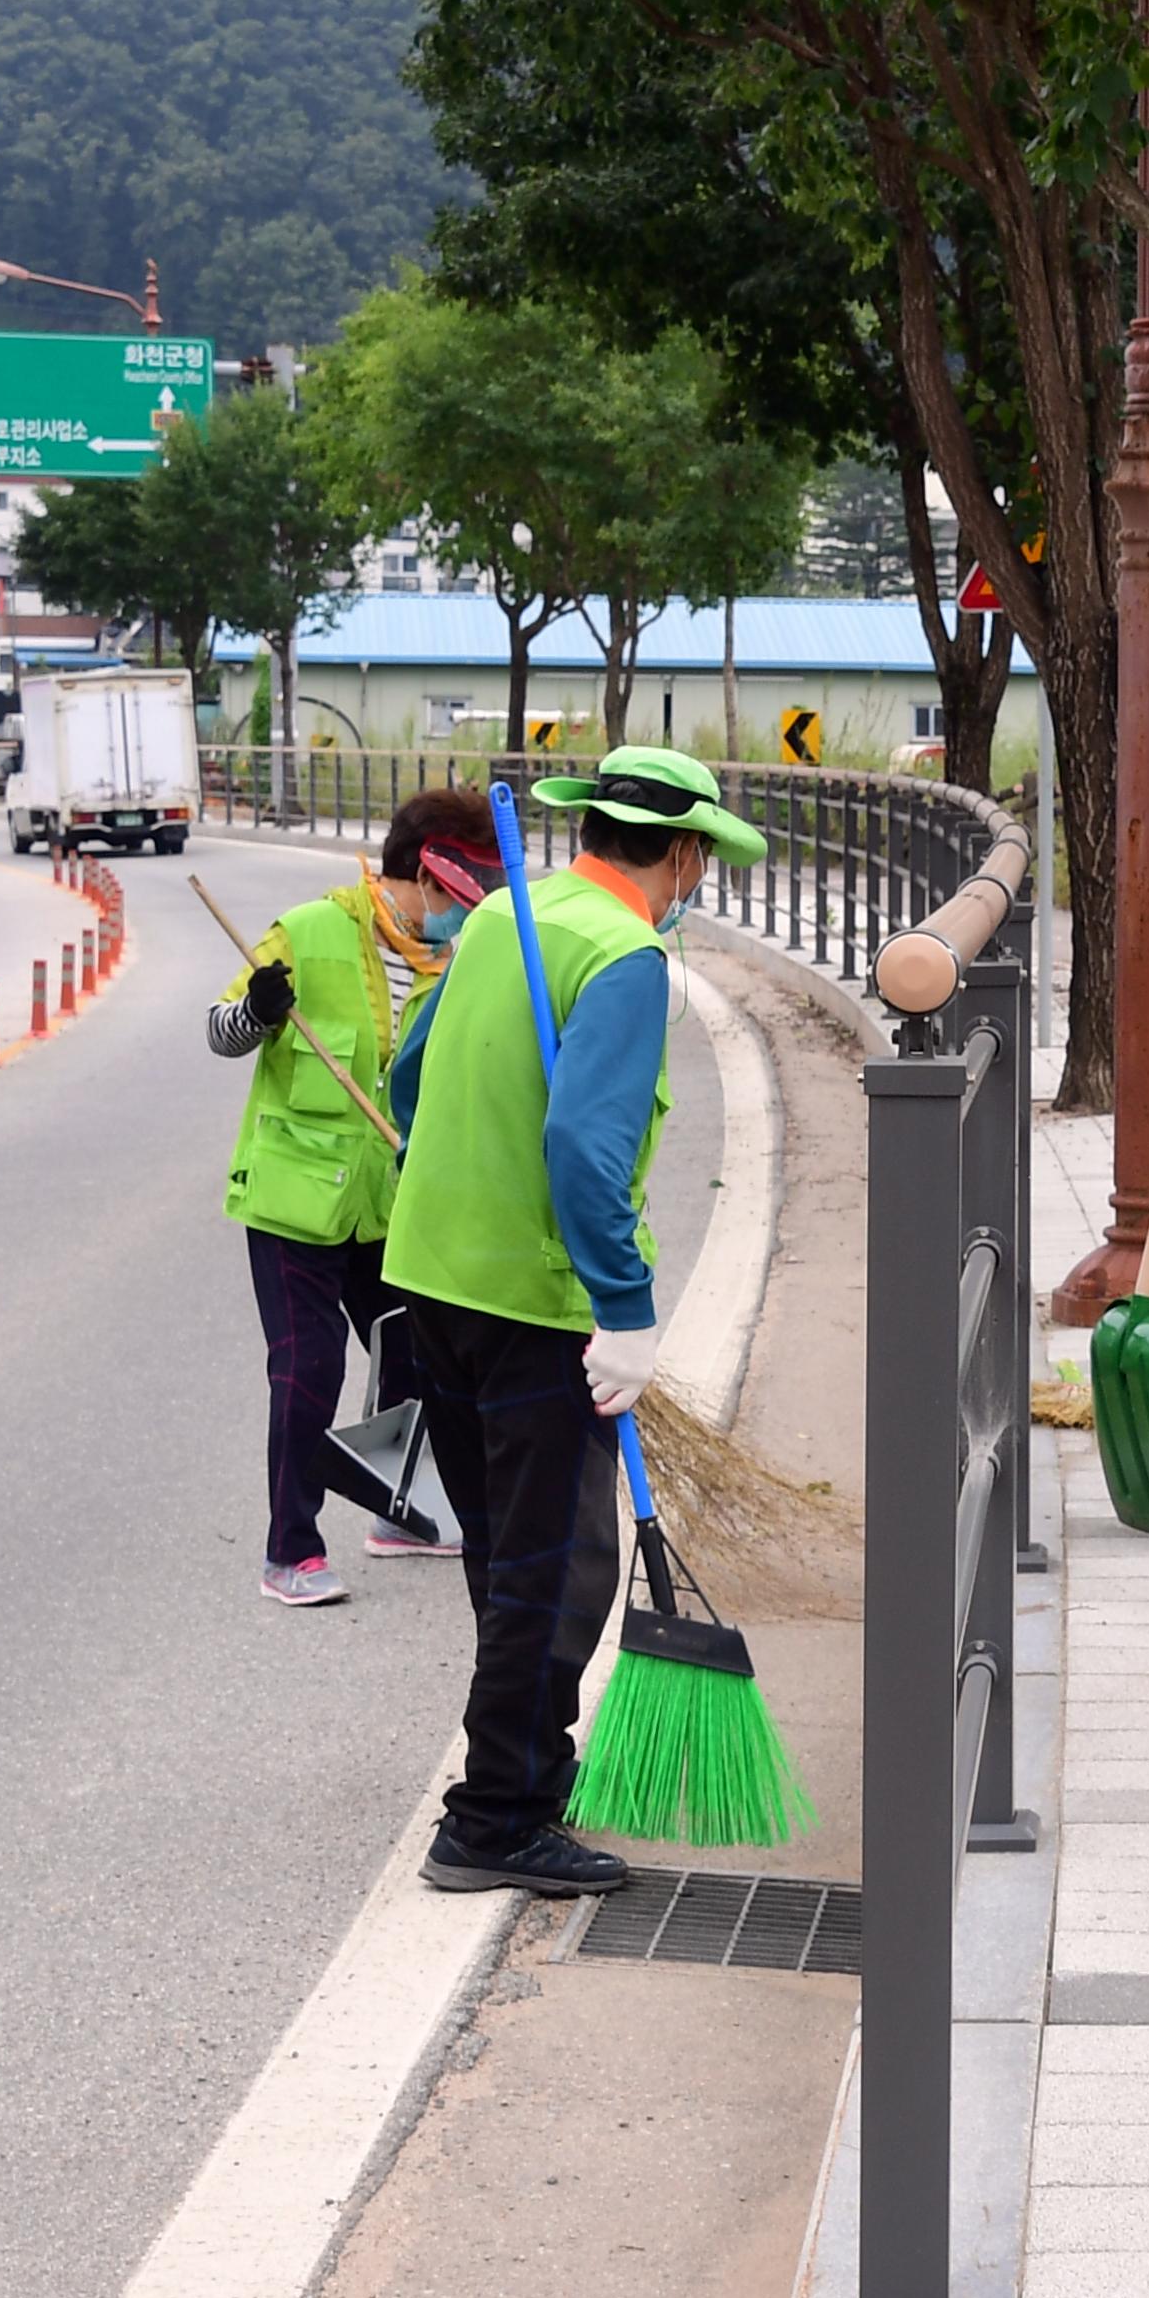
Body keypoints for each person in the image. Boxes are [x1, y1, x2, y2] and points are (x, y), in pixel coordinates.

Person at [383, 746, 768, 1897]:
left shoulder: (504, 915)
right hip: (533, 1303)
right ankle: (493, 1818)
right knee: (557, 1574)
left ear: (592, 828)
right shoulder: (629, 957)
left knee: (509, 1559)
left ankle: (526, 1773)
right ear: (688, 851)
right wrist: (627, 1310)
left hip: (435, 1276)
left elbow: (409, 1079)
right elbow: (586, 1151)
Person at [212, 786, 500, 1606]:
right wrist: (257, 1014)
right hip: (293, 1205)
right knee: (308, 1368)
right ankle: (289, 1551)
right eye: (452, 896)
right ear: (418, 876)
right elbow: (219, 1032)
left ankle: (402, 1515)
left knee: (419, 1360)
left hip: (388, 1203)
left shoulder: (456, 961)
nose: (459, 912)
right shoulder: (307, 932)